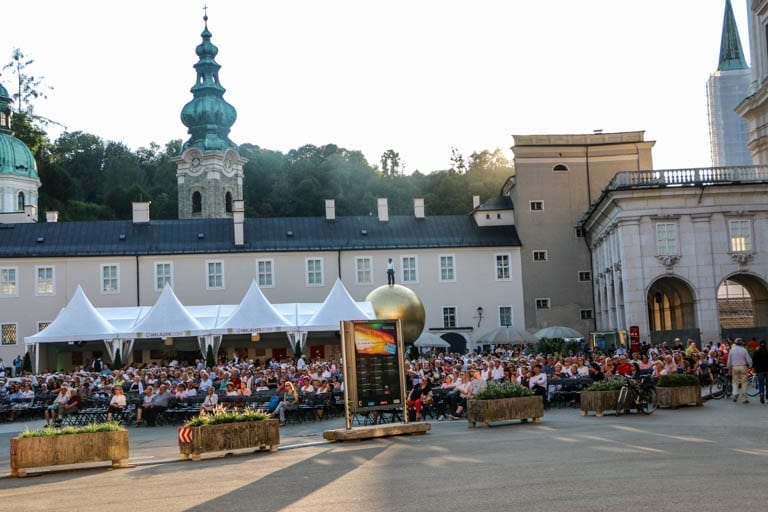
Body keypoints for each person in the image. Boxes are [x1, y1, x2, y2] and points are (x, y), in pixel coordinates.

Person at [727, 338, 753, 403]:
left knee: (735, 382)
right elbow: (749, 359)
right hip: (743, 367)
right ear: (741, 343)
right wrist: (750, 366)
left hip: (735, 367)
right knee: (744, 383)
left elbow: (729, 361)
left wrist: (729, 367)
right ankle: (744, 398)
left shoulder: (732, 350)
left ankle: (735, 393)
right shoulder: (744, 350)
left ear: (735, 343)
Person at [751, 340, 768, 405]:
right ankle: (767, 397)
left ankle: (761, 394)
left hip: (759, 371)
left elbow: (754, 362)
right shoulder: (767, 352)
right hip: (767, 370)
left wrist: (753, 369)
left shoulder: (756, 352)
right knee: (767, 384)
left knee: (760, 383)